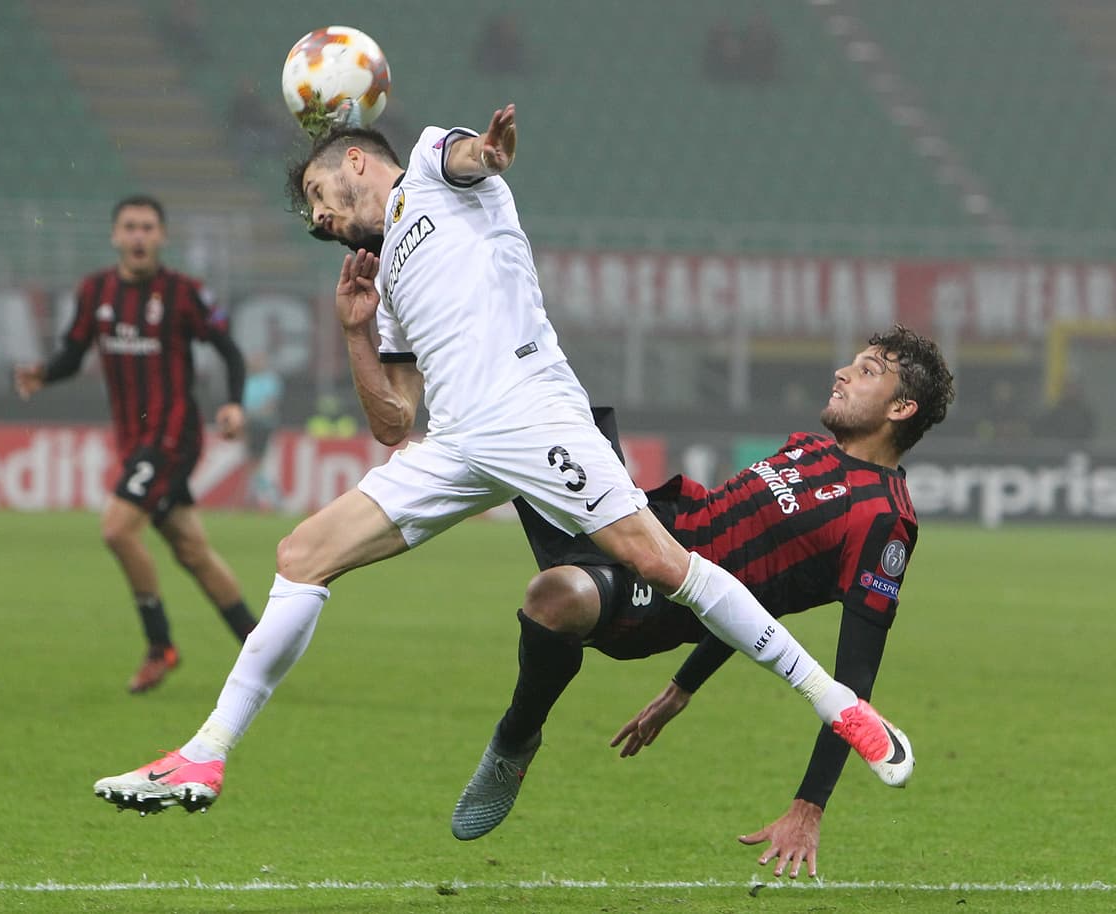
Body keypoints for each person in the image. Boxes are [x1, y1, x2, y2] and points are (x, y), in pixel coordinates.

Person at [92, 106, 913, 818]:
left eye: (318, 198)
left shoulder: (426, 165)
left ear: (352, 161)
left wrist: (487, 151)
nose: (322, 221)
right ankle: (205, 753)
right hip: (452, 440)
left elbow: (470, 157)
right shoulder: (393, 282)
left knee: (659, 561)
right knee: (301, 554)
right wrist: (355, 333)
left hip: (528, 409)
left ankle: (838, 705)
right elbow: (392, 423)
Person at [450, 327, 955, 879]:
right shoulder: (808, 448)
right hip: (643, 521)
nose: (843, 373)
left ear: (902, 407)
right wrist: (681, 689)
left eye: (866, 371)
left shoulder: (882, 521)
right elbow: (757, 593)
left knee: (555, 597)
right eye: (852, 363)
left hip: (664, 602)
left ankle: (514, 742)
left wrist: (808, 808)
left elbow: (852, 683)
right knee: (534, 402)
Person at [15, 194, 257, 693]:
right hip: (133, 440)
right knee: (192, 550)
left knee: (117, 529)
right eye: (130, 227)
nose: (139, 236)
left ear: (162, 236)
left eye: (148, 227)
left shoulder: (184, 292)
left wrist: (234, 402)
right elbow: (73, 352)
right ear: (115, 235)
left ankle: (159, 647)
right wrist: (43, 374)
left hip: (172, 437)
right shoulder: (96, 291)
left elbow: (229, 349)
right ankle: (261, 647)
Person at [241, 350, 284, 510]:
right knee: (252, 463)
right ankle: (254, 499)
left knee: (263, 464)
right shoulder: (248, 381)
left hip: (265, 427)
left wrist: (253, 414)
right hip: (250, 426)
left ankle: (272, 498)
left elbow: (270, 406)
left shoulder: (270, 380)